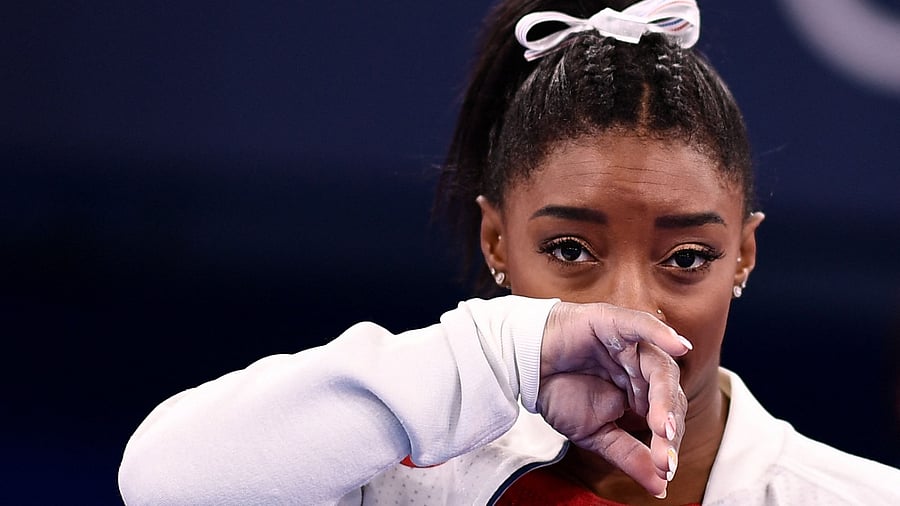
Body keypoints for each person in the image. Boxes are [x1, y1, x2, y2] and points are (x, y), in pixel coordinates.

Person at [117, 0, 900, 504]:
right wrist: (494, 359)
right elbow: (160, 482)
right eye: (569, 248)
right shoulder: (396, 472)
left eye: (687, 258)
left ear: (745, 258)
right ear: (495, 239)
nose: (628, 306)